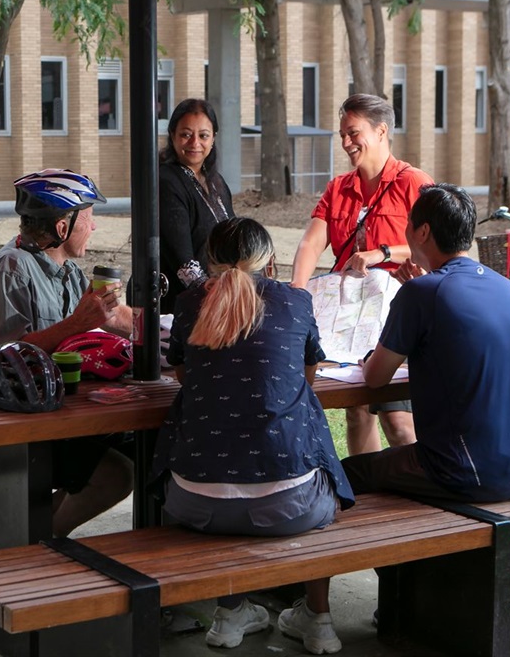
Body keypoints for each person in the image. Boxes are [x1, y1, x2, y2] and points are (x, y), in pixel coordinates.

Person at [153, 217, 354, 654]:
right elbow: (307, 378)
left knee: (224, 453)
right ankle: (318, 619)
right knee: (309, 437)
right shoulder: (296, 302)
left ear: (210, 260)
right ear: (272, 261)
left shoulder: (189, 304)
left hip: (193, 502)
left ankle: (230, 613)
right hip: (292, 507)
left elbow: (186, 376)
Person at [348, 183, 510, 501]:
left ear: (423, 231)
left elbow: (375, 378)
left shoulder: (421, 293)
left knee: (347, 473)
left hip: (467, 469)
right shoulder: (507, 288)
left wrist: (371, 356)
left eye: (409, 224)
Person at [0, 168, 134, 537]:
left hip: (54, 413)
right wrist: (76, 323)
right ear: (62, 228)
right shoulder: (10, 270)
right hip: (11, 423)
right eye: (88, 220)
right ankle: (36, 548)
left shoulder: (67, 271)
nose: (93, 228)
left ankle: (34, 536)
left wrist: (160, 326)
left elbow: (112, 317)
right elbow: (4, 357)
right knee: (118, 474)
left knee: (139, 447)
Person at [290, 93, 431, 457]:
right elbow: (311, 243)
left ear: (381, 131)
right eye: (342, 134)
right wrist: (297, 293)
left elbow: (435, 244)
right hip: (350, 317)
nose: (346, 142)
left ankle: (417, 492)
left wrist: (382, 252)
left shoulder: (413, 182)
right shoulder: (338, 188)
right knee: (356, 410)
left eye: (353, 133)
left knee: (398, 420)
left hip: (398, 314)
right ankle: (368, 492)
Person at [159, 98, 235, 315]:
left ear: (213, 139)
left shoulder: (216, 181)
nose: (195, 143)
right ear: (173, 135)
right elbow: (185, 266)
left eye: (203, 135)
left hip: (219, 300)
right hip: (183, 307)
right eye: (185, 134)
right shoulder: (166, 181)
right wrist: (213, 298)